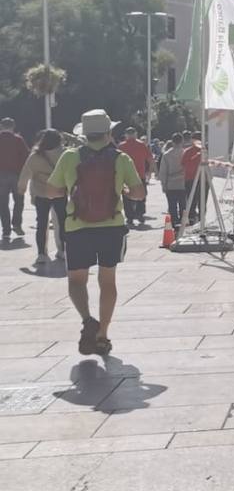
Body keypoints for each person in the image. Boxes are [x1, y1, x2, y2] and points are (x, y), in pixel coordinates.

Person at [48, 110, 146, 355]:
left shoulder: (70, 157)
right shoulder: (121, 158)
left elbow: (52, 191)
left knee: (77, 280)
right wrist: (123, 189)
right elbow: (139, 194)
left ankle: (87, 320)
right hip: (111, 228)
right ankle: (102, 335)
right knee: (108, 281)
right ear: (109, 133)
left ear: (84, 134)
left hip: (77, 227)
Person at [18, 130, 68, 265]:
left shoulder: (35, 155)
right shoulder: (65, 154)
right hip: (60, 192)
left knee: (41, 224)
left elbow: (25, 173)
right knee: (62, 222)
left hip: (41, 193)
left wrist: (21, 189)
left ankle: (41, 253)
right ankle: (62, 250)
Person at [117, 128, 154, 228]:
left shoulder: (121, 146)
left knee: (126, 196)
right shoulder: (142, 145)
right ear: (135, 134)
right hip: (140, 174)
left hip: (125, 176)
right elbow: (150, 159)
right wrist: (150, 172)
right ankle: (140, 213)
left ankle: (129, 217)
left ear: (126, 135)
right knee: (141, 195)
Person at [0, 117, 29, 240]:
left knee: (2, 203)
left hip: (1, 176)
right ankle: (16, 224)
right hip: (16, 175)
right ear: (13, 126)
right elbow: (26, 157)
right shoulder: (18, 140)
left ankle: (6, 229)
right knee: (19, 200)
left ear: (1, 126)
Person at [157, 133, 188, 228]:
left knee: (172, 206)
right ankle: (184, 222)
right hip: (183, 184)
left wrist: (163, 185)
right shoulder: (185, 153)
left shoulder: (166, 155)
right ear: (182, 141)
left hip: (170, 185)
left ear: (172, 142)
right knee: (184, 205)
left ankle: (174, 223)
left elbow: (163, 172)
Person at [181, 131, 203, 225]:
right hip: (202, 179)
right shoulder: (204, 151)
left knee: (191, 200)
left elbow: (182, 164)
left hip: (190, 179)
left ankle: (191, 218)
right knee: (202, 200)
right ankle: (202, 219)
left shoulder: (188, 151)